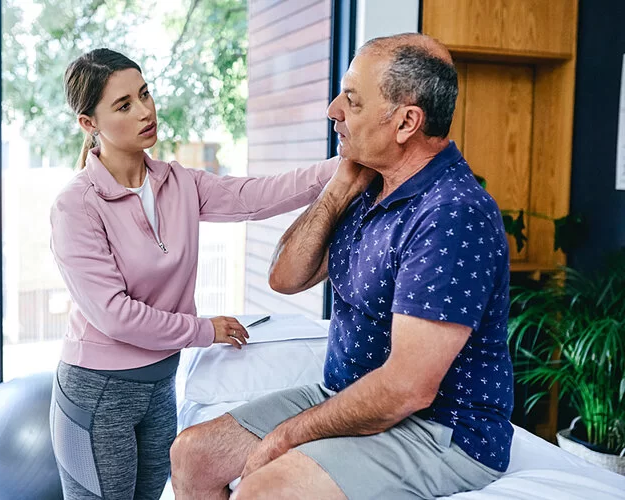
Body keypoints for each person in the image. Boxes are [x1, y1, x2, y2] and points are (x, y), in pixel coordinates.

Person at [170, 33, 514, 500]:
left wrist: (286, 438)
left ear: (406, 122)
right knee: (193, 453)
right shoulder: (369, 186)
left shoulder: (452, 213)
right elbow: (285, 278)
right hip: (347, 398)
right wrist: (339, 187)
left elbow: (407, 389)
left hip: (440, 431)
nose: (334, 109)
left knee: (266, 488)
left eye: (351, 100)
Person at [48, 48, 340, 500]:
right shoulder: (77, 205)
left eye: (145, 94)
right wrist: (204, 330)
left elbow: (256, 196)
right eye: (124, 105)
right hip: (98, 393)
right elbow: (115, 316)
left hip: (159, 383)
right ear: (90, 124)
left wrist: (346, 167)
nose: (146, 111)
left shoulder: (178, 183)